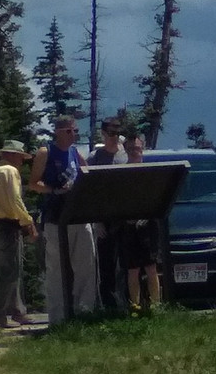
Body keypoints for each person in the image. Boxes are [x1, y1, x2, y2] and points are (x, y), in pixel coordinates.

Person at [28, 115, 97, 325]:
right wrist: (55, 190)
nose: (73, 135)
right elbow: (33, 183)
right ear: (58, 132)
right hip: (56, 217)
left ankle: (85, 312)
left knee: (86, 265)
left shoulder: (76, 153)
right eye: (68, 131)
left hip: (79, 215)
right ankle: (57, 319)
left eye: (75, 131)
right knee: (57, 269)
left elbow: (89, 174)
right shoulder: (45, 152)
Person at [0, 140, 38, 330]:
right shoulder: (10, 172)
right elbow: (15, 199)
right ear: (11, 155)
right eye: (20, 156)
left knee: (11, 269)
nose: (21, 161)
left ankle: (18, 311)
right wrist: (28, 221)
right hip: (8, 225)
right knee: (9, 272)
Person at [86, 116, 127, 309]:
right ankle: (110, 306)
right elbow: (91, 191)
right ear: (103, 134)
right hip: (104, 218)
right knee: (107, 264)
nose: (115, 137)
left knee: (127, 264)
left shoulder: (126, 155)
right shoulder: (95, 158)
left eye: (117, 133)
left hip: (126, 216)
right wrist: (96, 221)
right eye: (111, 133)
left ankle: (129, 303)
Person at [120, 133, 161, 313]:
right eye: (130, 149)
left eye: (136, 148)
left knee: (151, 267)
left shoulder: (150, 171)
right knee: (132, 270)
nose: (133, 152)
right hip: (129, 227)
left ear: (142, 148)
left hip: (148, 226)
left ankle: (156, 306)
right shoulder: (121, 173)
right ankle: (134, 307)